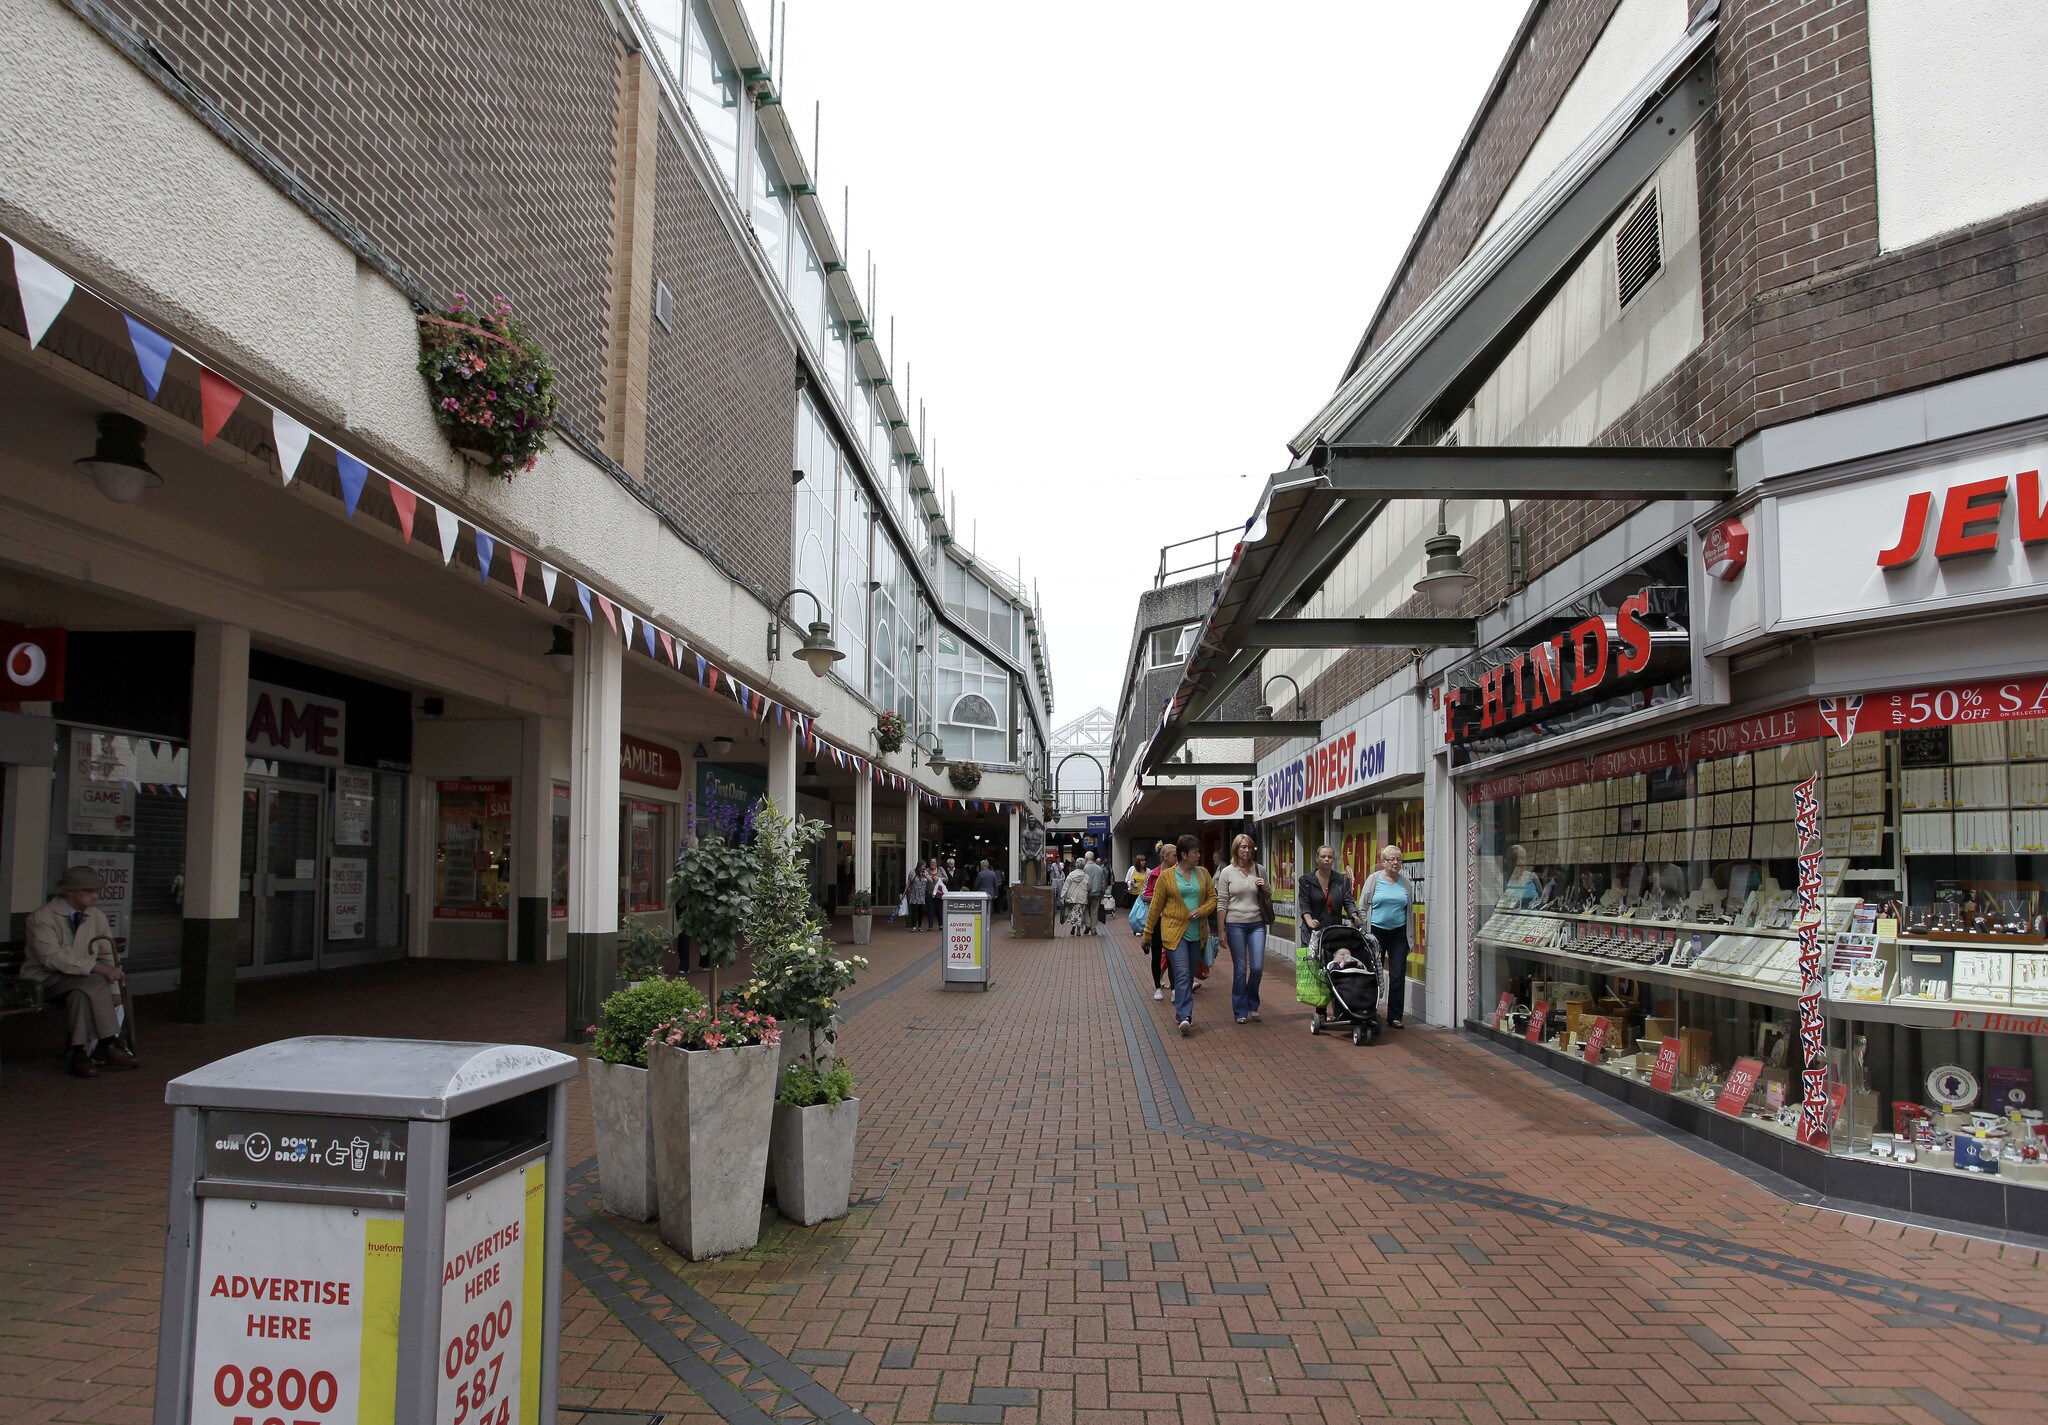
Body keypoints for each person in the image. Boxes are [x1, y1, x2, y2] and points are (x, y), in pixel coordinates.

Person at [23, 865, 137, 1078]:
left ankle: (79, 1053)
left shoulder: (97, 916)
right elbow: (51, 957)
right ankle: (108, 1040)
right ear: (70, 892)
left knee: (81, 994)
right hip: (45, 980)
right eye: (89, 891)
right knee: (93, 981)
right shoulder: (42, 917)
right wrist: (95, 967)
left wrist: (113, 987)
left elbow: (108, 954)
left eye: (96, 891)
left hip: (81, 981)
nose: (95, 896)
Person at [1144, 833, 1215, 1036]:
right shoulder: (1166, 877)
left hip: (1196, 933)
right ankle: (1185, 1015)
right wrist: (1147, 933)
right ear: (1184, 854)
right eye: (1195, 852)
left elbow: (1213, 898)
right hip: (1174, 932)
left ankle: (1181, 1013)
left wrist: (1202, 911)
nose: (1199, 855)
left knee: (1189, 973)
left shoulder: (1202, 874)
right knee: (1183, 974)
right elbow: (1156, 907)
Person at [1361, 844, 1419, 1027]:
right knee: (1372, 973)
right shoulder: (1374, 879)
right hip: (1376, 932)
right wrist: (1364, 930)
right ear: (1383, 862)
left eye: (1399, 859)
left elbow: (1409, 910)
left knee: (1397, 974)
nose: (1396, 863)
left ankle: (1395, 1016)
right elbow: (1362, 906)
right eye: (1391, 859)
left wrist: (1410, 935)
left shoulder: (1405, 882)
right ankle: (1369, 1011)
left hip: (1398, 934)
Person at [1214, 833, 1270, 1025]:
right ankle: (1240, 1008)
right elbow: (1222, 903)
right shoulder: (1227, 872)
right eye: (1243, 847)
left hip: (1256, 924)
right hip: (1235, 923)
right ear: (1236, 849)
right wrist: (1221, 930)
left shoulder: (1259, 869)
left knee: (1257, 967)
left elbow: (1269, 895)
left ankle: (1253, 1003)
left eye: (1249, 847)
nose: (1246, 850)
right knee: (1240, 968)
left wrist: (1265, 888)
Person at [1297, 843, 1356, 945]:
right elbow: (1304, 903)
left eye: (1330, 857)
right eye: (1323, 856)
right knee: (1311, 960)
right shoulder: (1306, 880)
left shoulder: (1342, 880)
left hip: (1334, 931)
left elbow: (1348, 901)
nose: (1326, 859)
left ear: (1333, 860)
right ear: (1317, 858)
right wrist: (1310, 921)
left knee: (1334, 959)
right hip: (1312, 931)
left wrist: (1354, 916)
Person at [1139, 842, 1175, 998]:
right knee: (1156, 952)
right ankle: (1157, 987)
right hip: (1157, 920)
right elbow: (1144, 895)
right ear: (1165, 857)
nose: (1178, 857)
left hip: (1174, 920)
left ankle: (1175, 988)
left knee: (1173, 954)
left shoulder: (1179, 873)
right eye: (1175, 855)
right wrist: (1160, 898)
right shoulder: (1153, 874)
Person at [1082, 850, 1109, 935]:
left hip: (1086, 893)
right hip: (1097, 893)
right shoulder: (1099, 868)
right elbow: (1103, 882)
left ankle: (1088, 924)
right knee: (1094, 911)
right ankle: (1093, 929)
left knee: (1085, 909)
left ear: (1086, 858)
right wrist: (1102, 892)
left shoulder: (1084, 868)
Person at [1061, 859, 1091, 934]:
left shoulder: (1071, 875)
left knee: (1073, 912)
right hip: (1082, 898)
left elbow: (1065, 886)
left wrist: (1063, 896)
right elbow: (1089, 888)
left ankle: (1073, 926)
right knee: (1080, 913)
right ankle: (1078, 931)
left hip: (1071, 897)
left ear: (1076, 865)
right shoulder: (1086, 876)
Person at [905, 860, 928, 932]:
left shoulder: (925, 873)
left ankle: (920, 926)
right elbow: (908, 882)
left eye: (925, 866)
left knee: (920, 911)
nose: (924, 868)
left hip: (922, 895)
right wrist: (905, 891)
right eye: (923, 866)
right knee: (914, 910)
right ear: (919, 866)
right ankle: (914, 926)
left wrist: (925, 875)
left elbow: (930, 880)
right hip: (913, 894)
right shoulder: (912, 872)